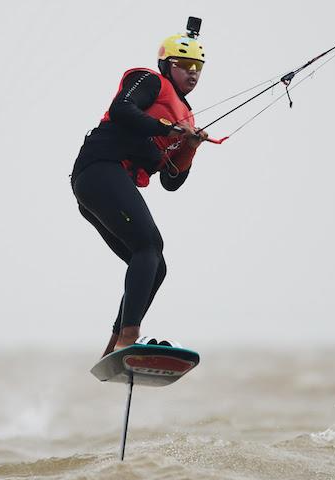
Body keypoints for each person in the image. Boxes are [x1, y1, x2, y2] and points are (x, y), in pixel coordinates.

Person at [70, 18, 210, 357]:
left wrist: (190, 145)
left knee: (154, 264)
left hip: (104, 186)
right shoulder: (149, 81)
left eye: (199, 67)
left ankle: (114, 345)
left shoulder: (186, 116)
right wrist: (167, 128)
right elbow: (121, 110)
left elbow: (170, 181)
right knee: (149, 243)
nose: (193, 73)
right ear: (167, 64)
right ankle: (129, 337)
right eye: (185, 65)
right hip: (99, 169)